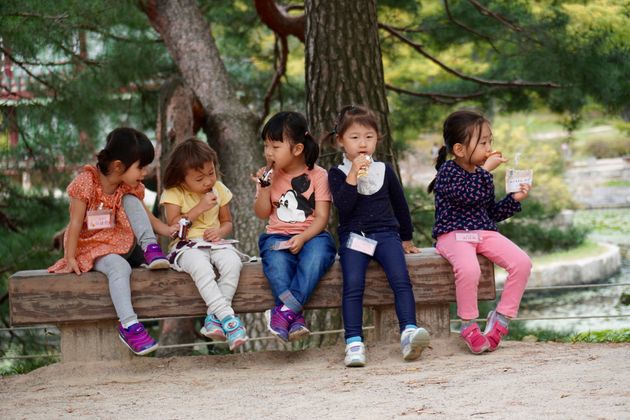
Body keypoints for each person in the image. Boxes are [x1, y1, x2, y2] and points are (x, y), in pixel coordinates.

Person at [49, 127, 175, 356]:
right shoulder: (86, 182)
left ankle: (151, 249)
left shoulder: (128, 187)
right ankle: (129, 326)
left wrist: (166, 230)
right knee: (119, 267)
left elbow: (144, 215)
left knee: (133, 200)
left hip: (121, 242)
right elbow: (75, 223)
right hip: (93, 247)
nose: (145, 172)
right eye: (140, 167)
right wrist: (69, 257)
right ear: (118, 166)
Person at [327, 105, 430, 367]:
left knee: (401, 279)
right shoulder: (337, 174)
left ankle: (408, 331)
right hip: (354, 236)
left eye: (369, 137)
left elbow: (400, 204)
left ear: (377, 139)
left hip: (386, 234)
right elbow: (344, 207)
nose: (363, 143)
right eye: (355, 137)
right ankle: (353, 342)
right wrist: (352, 176)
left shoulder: (385, 170)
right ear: (341, 141)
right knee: (353, 284)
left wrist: (405, 237)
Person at [428, 110, 532, 354]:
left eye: (490, 141)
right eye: (482, 142)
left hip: (483, 231)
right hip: (453, 234)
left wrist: (514, 199)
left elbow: (490, 213)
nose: (489, 147)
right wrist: (486, 171)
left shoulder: (482, 175)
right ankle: (468, 324)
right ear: (460, 149)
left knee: (522, 262)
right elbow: (467, 196)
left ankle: (502, 319)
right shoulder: (447, 173)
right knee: (469, 268)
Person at [253, 111, 336, 343]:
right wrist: (265, 188)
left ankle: (283, 311)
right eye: (266, 145)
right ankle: (294, 315)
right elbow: (261, 213)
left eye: (275, 146)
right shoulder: (268, 175)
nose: (268, 152)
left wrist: (302, 238)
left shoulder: (319, 175)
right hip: (277, 235)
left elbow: (321, 218)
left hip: (313, 235)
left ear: (297, 149)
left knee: (317, 257)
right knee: (277, 265)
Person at [160, 138, 248, 351]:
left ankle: (214, 318)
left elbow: (227, 222)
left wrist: (219, 231)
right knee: (202, 268)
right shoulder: (174, 193)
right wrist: (198, 208)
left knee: (232, 263)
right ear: (182, 179)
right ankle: (229, 319)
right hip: (186, 245)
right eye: (200, 178)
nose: (208, 181)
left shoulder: (219, 189)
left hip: (215, 243)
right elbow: (174, 227)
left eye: (211, 173)